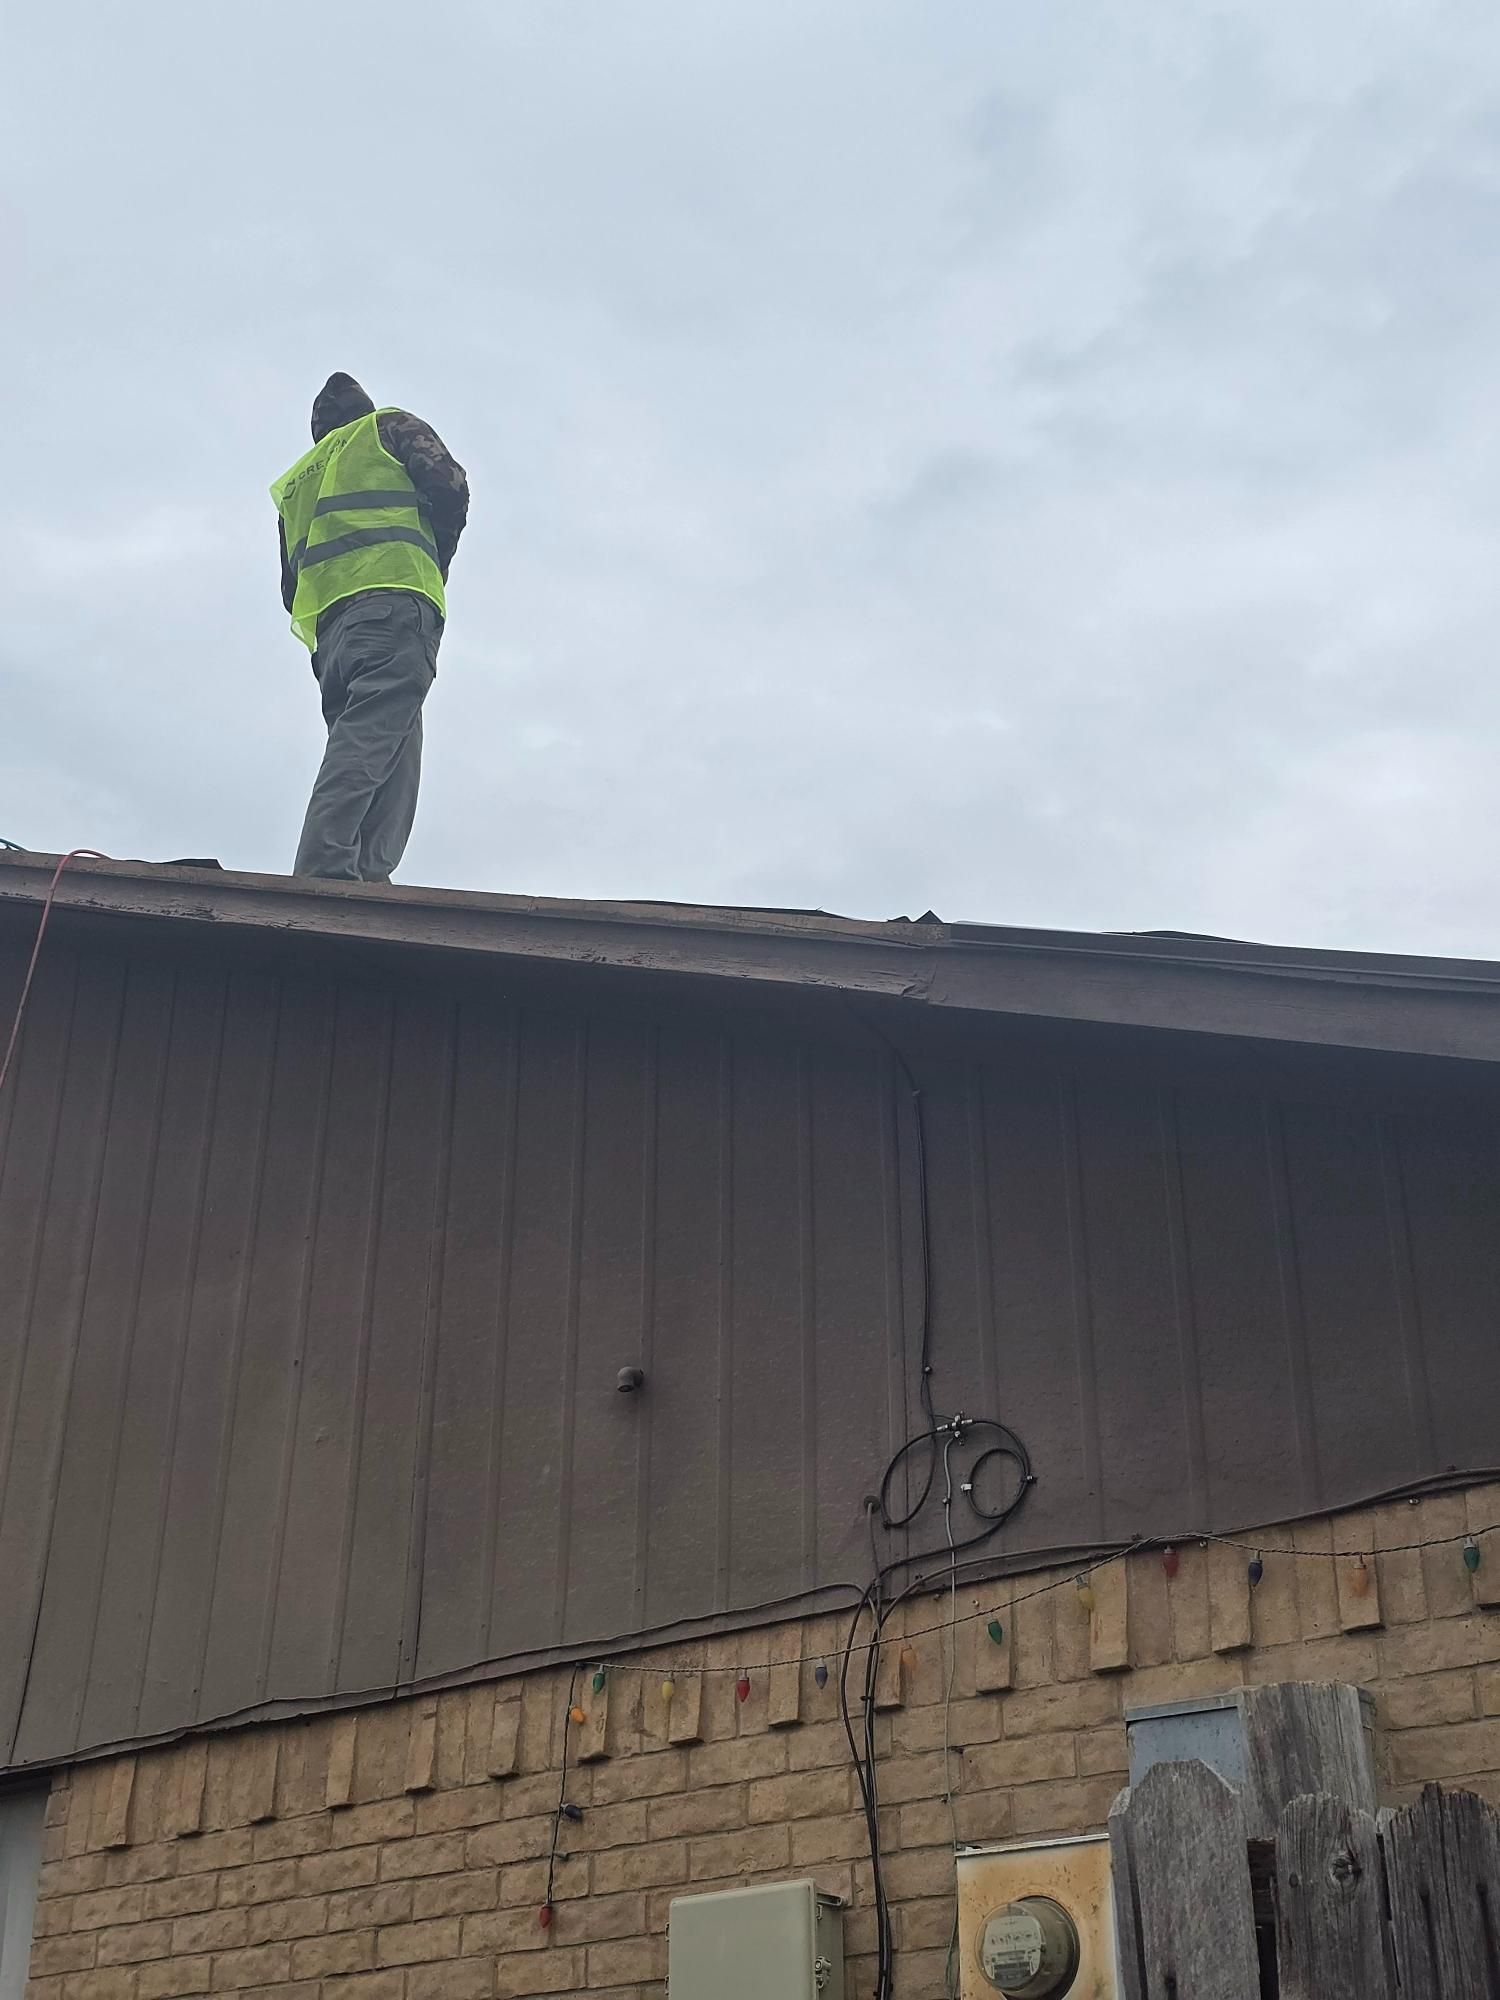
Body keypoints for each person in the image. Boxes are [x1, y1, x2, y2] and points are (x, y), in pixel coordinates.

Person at [272, 372, 469, 882]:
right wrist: (435, 557)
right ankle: (324, 869)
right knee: (368, 741)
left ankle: (366, 873)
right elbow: (449, 487)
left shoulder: (297, 483)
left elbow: (289, 585)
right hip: (395, 603)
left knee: (390, 742)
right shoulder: (387, 428)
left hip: (333, 633)